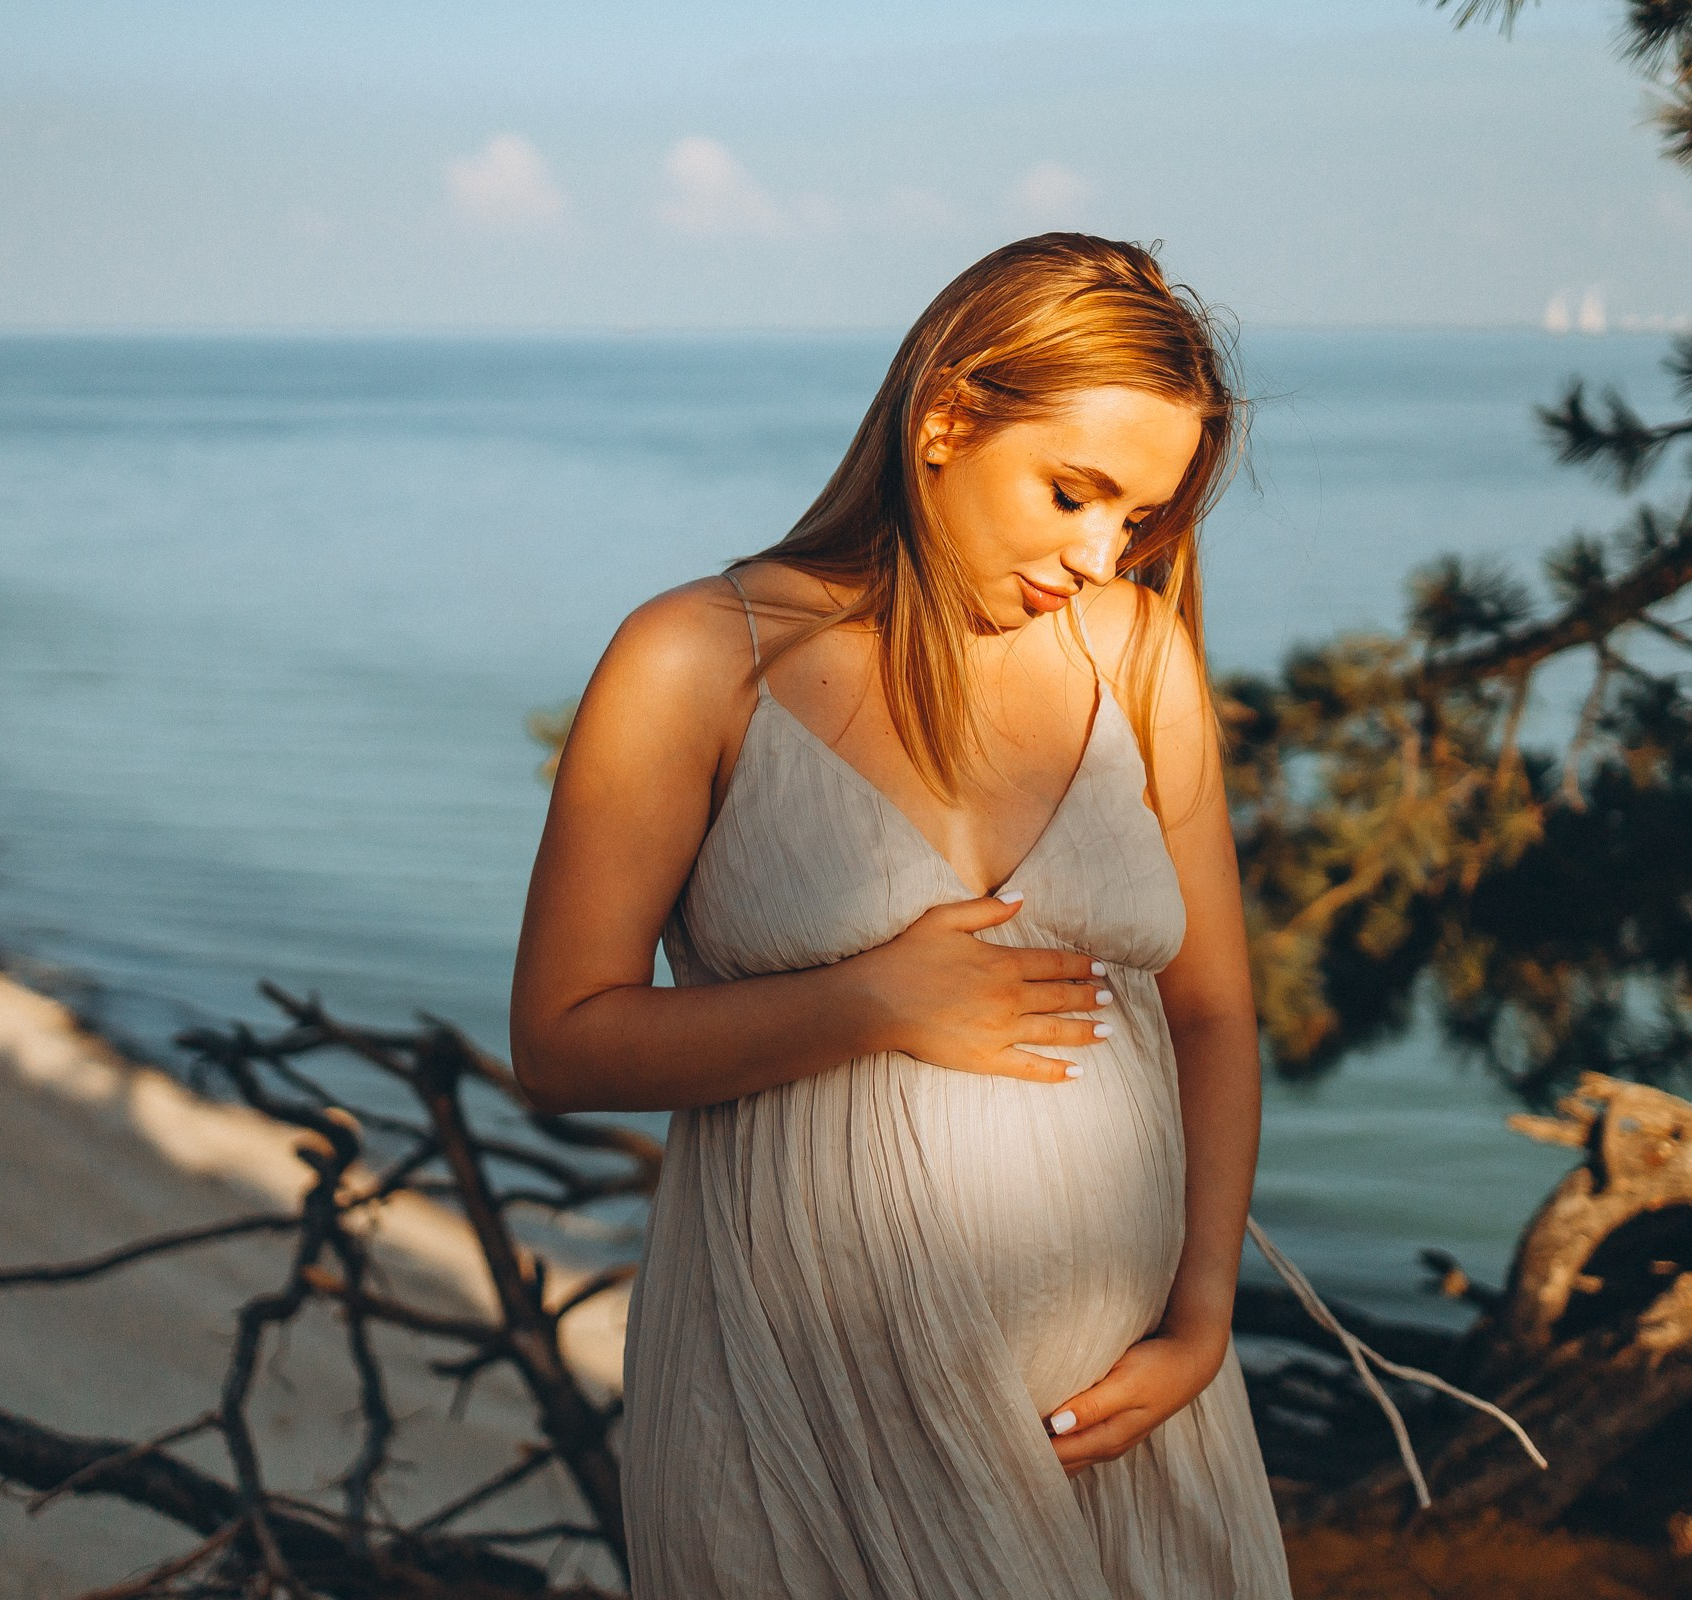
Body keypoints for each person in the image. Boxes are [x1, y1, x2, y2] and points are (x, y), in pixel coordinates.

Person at [510, 233, 1293, 1598]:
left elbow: (1217, 1010)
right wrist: (864, 1003)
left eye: (1139, 521)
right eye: (1073, 493)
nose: (1099, 555)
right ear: (946, 417)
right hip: (807, 1411)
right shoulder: (698, 659)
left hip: (1117, 1416)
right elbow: (562, 1043)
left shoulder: (1137, 656)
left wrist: (1204, 1317)